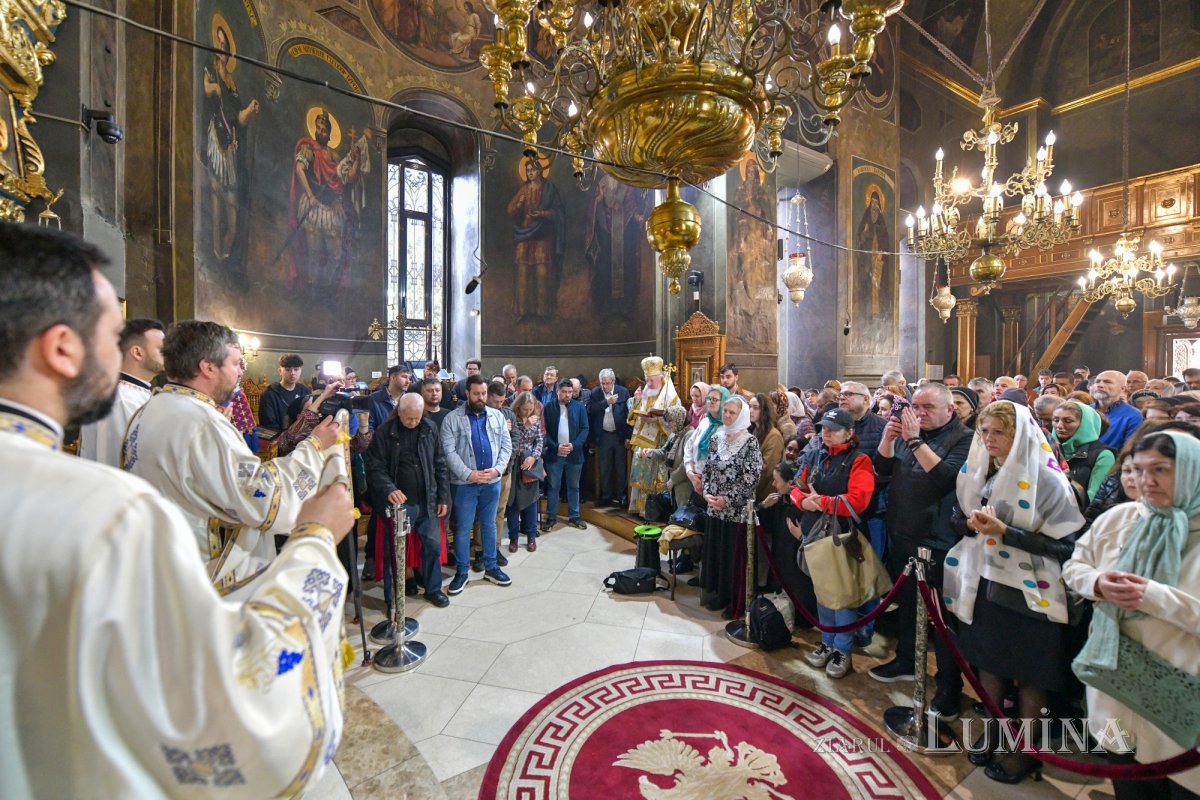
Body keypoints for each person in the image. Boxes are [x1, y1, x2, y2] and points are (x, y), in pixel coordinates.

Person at [0, 223, 353, 797]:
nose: (122, 354)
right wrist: (314, 536)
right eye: (110, 335)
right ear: (62, 346)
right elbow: (236, 721)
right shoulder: (106, 512)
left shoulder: (154, 411)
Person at [125, 322, 342, 598]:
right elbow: (262, 501)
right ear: (208, 367)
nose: (242, 371)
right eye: (237, 363)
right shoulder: (202, 423)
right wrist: (314, 446)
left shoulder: (149, 409)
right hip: (207, 578)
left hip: (164, 567)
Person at [944, 401, 1085, 783]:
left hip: (1030, 590)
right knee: (990, 664)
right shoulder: (978, 470)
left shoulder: (1048, 480)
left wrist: (1007, 533)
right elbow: (958, 517)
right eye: (984, 431)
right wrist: (969, 524)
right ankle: (992, 731)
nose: (989, 439)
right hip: (985, 580)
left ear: (1019, 435)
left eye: (999, 432)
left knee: (1030, 674)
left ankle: (1025, 752)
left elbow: (1068, 546)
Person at [1064, 430, 1200, 799]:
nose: (1145, 481)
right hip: (1114, 684)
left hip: (1180, 693)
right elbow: (1076, 565)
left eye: (1161, 469)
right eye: (1137, 469)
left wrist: (1152, 596)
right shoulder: (1123, 516)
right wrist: (1096, 583)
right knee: (1128, 780)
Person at [870, 384, 972, 719]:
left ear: (949, 409)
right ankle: (906, 661)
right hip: (903, 531)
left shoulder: (964, 438)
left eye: (927, 407)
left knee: (943, 619)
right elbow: (882, 472)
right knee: (908, 603)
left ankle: (948, 688)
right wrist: (888, 438)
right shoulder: (908, 432)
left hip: (939, 539)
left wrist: (914, 440)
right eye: (915, 406)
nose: (919, 412)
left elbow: (946, 478)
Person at [791, 408, 877, 679]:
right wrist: (802, 501)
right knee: (822, 592)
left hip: (842, 536)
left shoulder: (859, 460)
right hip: (814, 533)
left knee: (842, 597)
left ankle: (843, 649)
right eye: (823, 428)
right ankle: (827, 642)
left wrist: (820, 502)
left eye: (833, 429)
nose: (825, 433)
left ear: (849, 433)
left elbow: (858, 501)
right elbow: (797, 486)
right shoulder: (816, 455)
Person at [365, 393, 451, 607]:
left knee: (432, 546)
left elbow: (440, 464)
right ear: (400, 412)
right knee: (395, 550)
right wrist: (389, 489)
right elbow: (375, 468)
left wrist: (442, 496)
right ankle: (396, 594)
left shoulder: (429, 428)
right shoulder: (385, 432)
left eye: (417, 417)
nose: (413, 422)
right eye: (409, 418)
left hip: (427, 501)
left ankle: (432, 589)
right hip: (399, 505)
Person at [440, 374, 513, 594]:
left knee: (489, 524)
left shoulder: (497, 416)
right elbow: (448, 451)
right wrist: (469, 474)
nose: (481, 398)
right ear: (467, 394)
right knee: (463, 528)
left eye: (483, 393)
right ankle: (462, 571)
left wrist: (497, 469)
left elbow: (506, 446)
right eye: (476, 394)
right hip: (464, 484)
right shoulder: (452, 419)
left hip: (491, 481)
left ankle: (491, 566)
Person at [700, 396, 763, 616]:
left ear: (741, 415)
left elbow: (751, 477)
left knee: (734, 557)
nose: (726, 415)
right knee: (718, 552)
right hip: (714, 508)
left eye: (732, 412)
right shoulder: (717, 438)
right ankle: (720, 593)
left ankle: (735, 600)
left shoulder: (750, 442)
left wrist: (728, 499)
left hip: (736, 511)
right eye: (725, 411)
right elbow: (707, 469)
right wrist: (708, 493)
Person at [77, 317, 164, 466]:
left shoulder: (130, 393)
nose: (169, 355)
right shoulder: (123, 399)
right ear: (137, 352)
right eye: (162, 349)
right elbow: (114, 460)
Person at [508, 155, 565, 320]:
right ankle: (524, 312)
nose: (530, 173)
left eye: (532, 170)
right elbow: (510, 210)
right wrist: (519, 204)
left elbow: (559, 212)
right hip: (525, 234)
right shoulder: (524, 189)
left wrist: (542, 213)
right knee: (523, 271)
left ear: (540, 171)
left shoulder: (550, 189)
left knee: (542, 272)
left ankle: (542, 312)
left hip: (543, 235)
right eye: (527, 171)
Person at [626, 356, 680, 516]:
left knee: (655, 477)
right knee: (640, 475)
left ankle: (653, 510)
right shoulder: (646, 393)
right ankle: (640, 508)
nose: (648, 384)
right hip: (643, 441)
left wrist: (659, 420)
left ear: (661, 378)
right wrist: (637, 403)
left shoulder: (670, 396)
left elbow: (677, 420)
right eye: (647, 380)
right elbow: (632, 417)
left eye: (651, 380)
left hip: (660, 443)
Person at [541, 379, 589, 531]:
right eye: (564, 392)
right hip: (555, 454)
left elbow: (585, 428)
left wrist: (574, 445)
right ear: (557, 392)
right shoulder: (549, 407)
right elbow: (545, 432)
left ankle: (574, 516)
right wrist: (556, 447)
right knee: (553, 487)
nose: (568, 395)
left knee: (574, 486)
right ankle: (551, 517)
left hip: (574, 454)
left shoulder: (579, 407)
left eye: (570, 392)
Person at [1052, 400, 1116, 507]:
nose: (1059, 425)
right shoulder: (1049, 448)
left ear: (1085, 424)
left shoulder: (1104, 455)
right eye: (1055, 420)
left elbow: (1094, 498)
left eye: (1068, 421)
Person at [587, 368, 631, 507]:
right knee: (604, 468)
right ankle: (606, 496)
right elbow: (590, 410)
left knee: (620, 468)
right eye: (602, 383)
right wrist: (606, 402)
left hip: (619, 435)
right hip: (603, 436)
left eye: (607, 383)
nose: (605, 386)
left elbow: (630, 416)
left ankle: (622, 496)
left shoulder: (623, 391)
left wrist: (628, 436)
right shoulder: (595, 392)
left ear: (613, 381)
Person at [507, 391, 544, 551]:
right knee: (513, 503)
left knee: (531, 502)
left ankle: (531, 537)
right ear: (518, 406)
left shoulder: (536, 419)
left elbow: (539, 441)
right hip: (514, 463)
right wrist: (526, 425)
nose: (528, 412)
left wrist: (534, 457)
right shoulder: (511, 419)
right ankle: (513, 538)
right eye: (524, 409)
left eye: (530, 409)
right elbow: (513, 440)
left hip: (530, 464)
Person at [644, 405, 694, 511]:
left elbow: (686, 463)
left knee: (682, 516)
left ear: (679, 419)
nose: (669, 424)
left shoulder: (690, 434)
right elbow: (664, 452)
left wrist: (673, 480)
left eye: (671, 421)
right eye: (667, 421)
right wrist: (650, 452)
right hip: (674, 483)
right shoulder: (674, 434)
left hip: (684, 484)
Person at [259, 353, 311, 430]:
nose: (292, 373)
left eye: (296, 369)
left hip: (302, 437)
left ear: (300, 371)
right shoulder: (269, 394)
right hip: (278, 437)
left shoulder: (305, 391)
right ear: (280, 371)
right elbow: (268, 424)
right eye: (287, 369)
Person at [1093, 370, 1143, 450]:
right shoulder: (1084, 410)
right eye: (1097, 381)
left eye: (1107, 382)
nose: (1100, 385)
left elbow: (1129, 450)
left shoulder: (1134, 416)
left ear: (1122, 389)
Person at [749, 393, 784, 501]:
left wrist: (748, 489)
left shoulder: (774, 435)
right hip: (752, 489)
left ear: (764, 411)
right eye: (749, 406)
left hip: (765, 494)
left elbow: (767, 469)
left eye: (755, 408)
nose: (750, 411)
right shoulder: (753, 430)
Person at [369, 365, 410, 430]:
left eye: (409, 378)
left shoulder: (410, 400)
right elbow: (369, 428)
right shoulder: (373, 399)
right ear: (393, 377)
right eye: (404, 377)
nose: (408, 381)